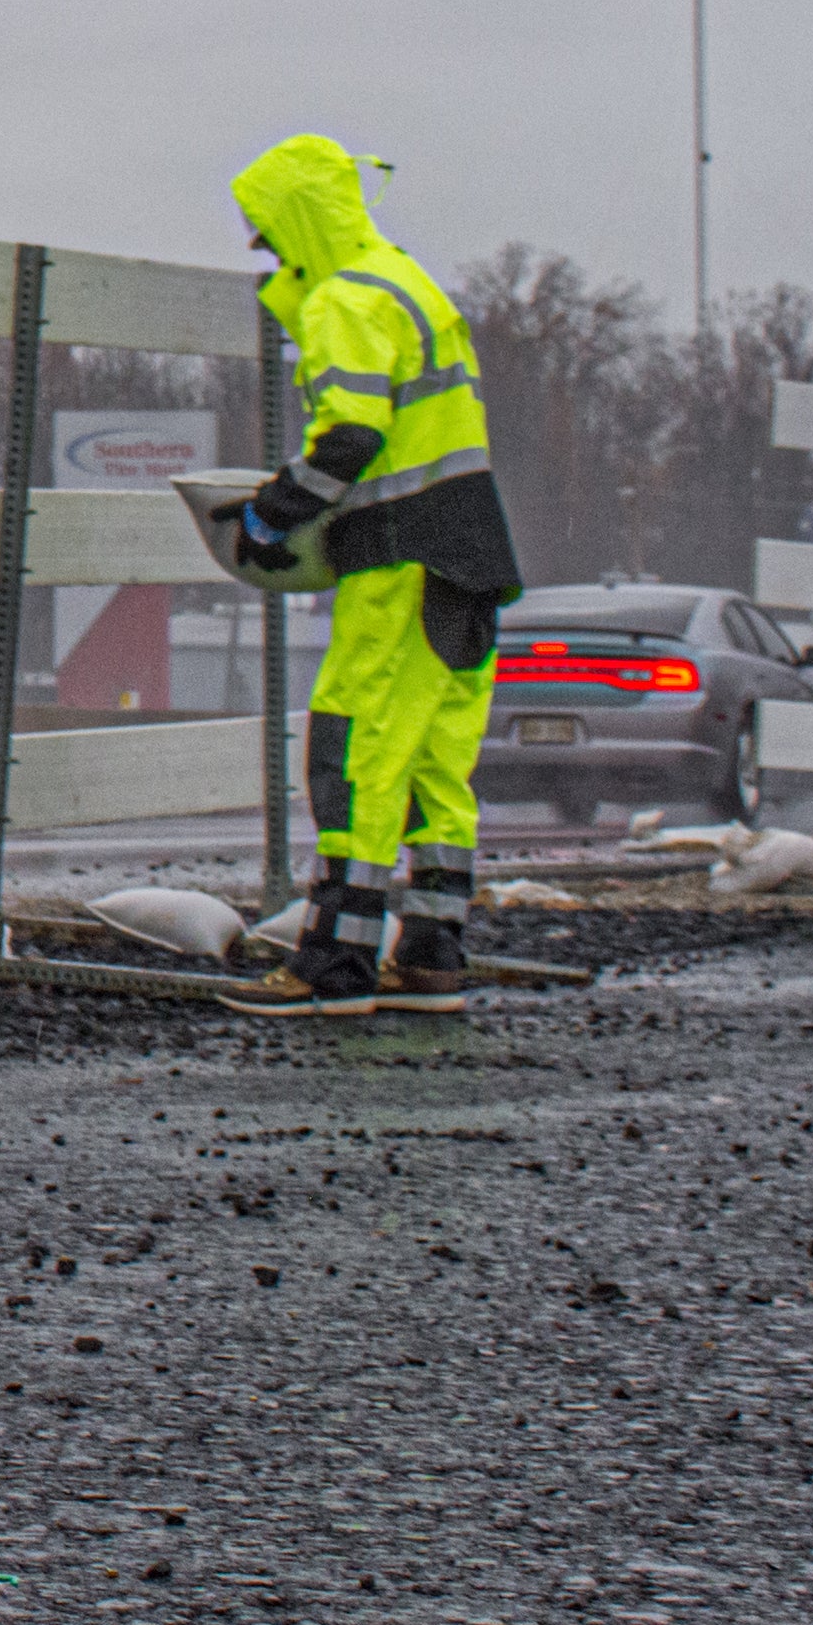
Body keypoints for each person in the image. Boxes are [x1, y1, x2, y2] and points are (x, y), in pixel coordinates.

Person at [212, 134, 525, 1016]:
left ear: (300, 217)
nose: (258, 248)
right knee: (433, 765)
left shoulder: (344, 301)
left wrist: (271, 517)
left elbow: (352, 436)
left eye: (266, 227)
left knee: (355, 755)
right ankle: (430, 957)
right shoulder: (407, 282)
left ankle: (333, 970)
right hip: (469, 554)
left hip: (400, 558)